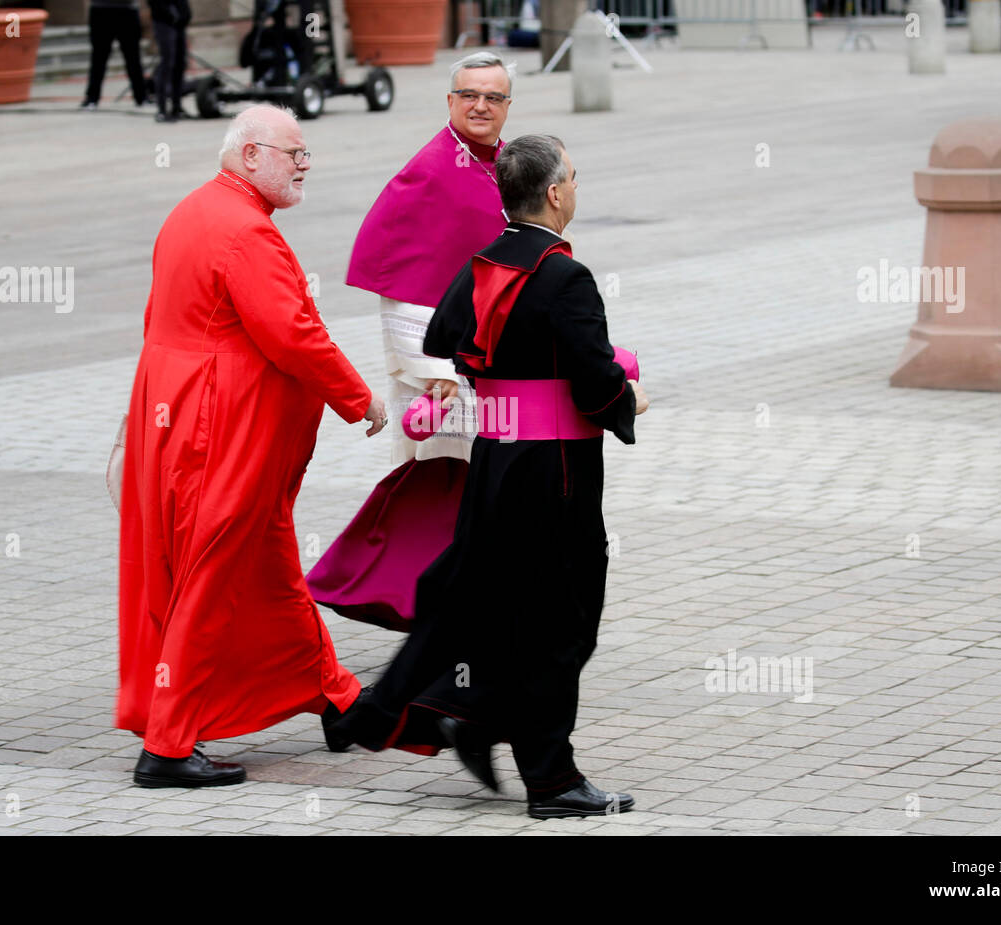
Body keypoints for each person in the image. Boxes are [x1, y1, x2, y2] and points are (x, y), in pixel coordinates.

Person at [326, 135, 650, 819]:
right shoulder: (566, 275)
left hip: (495, 462)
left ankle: (444, 715)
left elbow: (449, 340)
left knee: (483, 599)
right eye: (575, 178)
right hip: (554, 469)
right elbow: (594, 383)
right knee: (565, 620)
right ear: (557, 193)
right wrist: (626, 396)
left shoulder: (479, 266)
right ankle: (552, 779)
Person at [116, 104, 389, 788]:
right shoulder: (246, 232)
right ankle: (169, 746)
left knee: (264, 564)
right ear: (248, 157)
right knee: (213, 573)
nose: (303, 164)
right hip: (222, 431)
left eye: (305, 154)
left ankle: (337, 698)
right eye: (292, 152)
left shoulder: (193, 210)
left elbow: (162, 320)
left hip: (182, 416)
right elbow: (292, 333)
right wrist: (360, 398)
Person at [305, 52, 514, 631]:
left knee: (486, 491)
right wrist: (435, 373)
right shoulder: (431, 170)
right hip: (445, 381)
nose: (480, 106)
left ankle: (469, 610)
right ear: (449, 101)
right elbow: (402, 283)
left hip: (491, 368)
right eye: (469, 94)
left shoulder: (502, 164)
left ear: (507, 107)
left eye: (493, 97)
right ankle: (436, 610)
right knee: (442, 489)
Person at [80, 0, 148, 110]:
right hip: (101, 9)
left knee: (133, 57)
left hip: (127, 9)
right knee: (99, 58)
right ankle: (92, 98)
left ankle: (141, 97)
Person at [149, 0, 191, 122]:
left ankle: (176, 107)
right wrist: (170, 14)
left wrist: (185, 15)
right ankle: (162, 109)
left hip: (179, 23)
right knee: (167, 63)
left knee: (180, 64)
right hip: (163, 21)